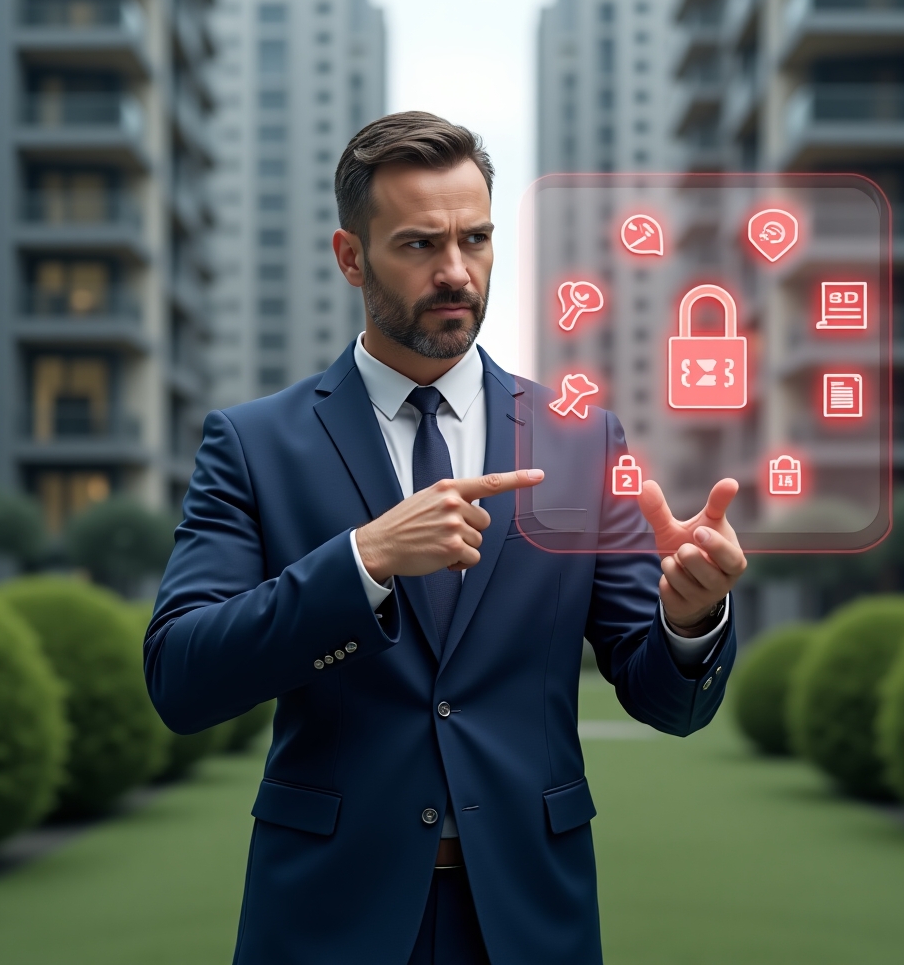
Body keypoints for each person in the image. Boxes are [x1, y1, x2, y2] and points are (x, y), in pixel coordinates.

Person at [145, 111, 746, 965]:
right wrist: (364, 562)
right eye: (420, 244)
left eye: (477, 239)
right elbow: (181, 679)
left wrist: (691, 621)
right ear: (350, 256)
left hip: (528, 916)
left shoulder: (580, 441)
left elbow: (665, 701)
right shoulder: (252, 445)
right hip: (327, 918)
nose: (456, 272)